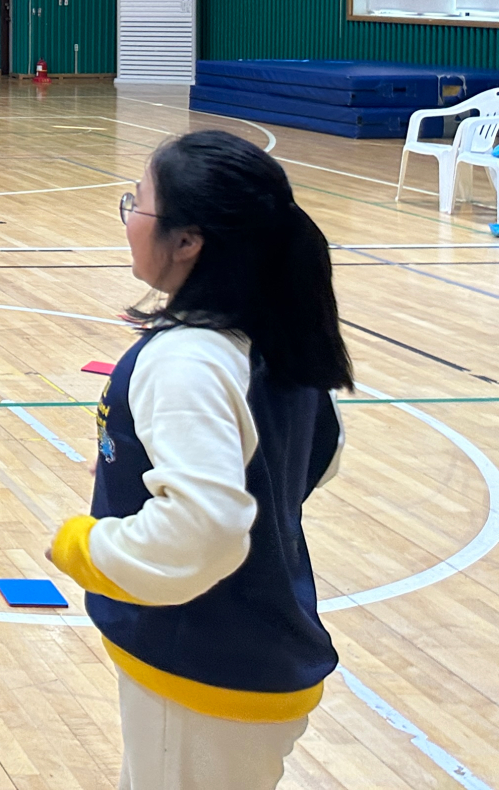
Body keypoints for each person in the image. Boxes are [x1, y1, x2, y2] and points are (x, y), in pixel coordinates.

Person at [47, 131, 352, 790]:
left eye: (139, 203)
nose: (128, 217)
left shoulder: (189, 360)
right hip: (251, 653)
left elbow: (204, 530)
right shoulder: (273, 331)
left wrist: (89, 547)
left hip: (206, 667)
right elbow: (320, 457)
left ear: (188, 241)